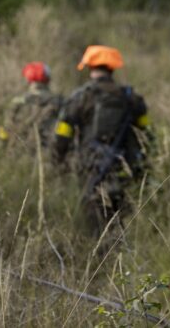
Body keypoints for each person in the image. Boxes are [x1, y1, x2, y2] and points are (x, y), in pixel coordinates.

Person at [52, 45, 150, 233]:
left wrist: (59, 161)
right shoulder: (131, 98)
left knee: (92, 215)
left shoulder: (81, 97)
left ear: (90, 67)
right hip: (123, 166)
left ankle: (96, 246)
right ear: (113, 68)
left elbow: (62, 133)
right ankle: (117, 246)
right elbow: (145, 132)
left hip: (90, 165)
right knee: (119, 216)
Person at [0, 62, 64, 155]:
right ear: (48, 80)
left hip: (19, 154)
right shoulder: (59, 102)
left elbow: (6, 129)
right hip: (49, 155)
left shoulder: (17, 102)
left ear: (28, 80)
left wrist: (3, 150)